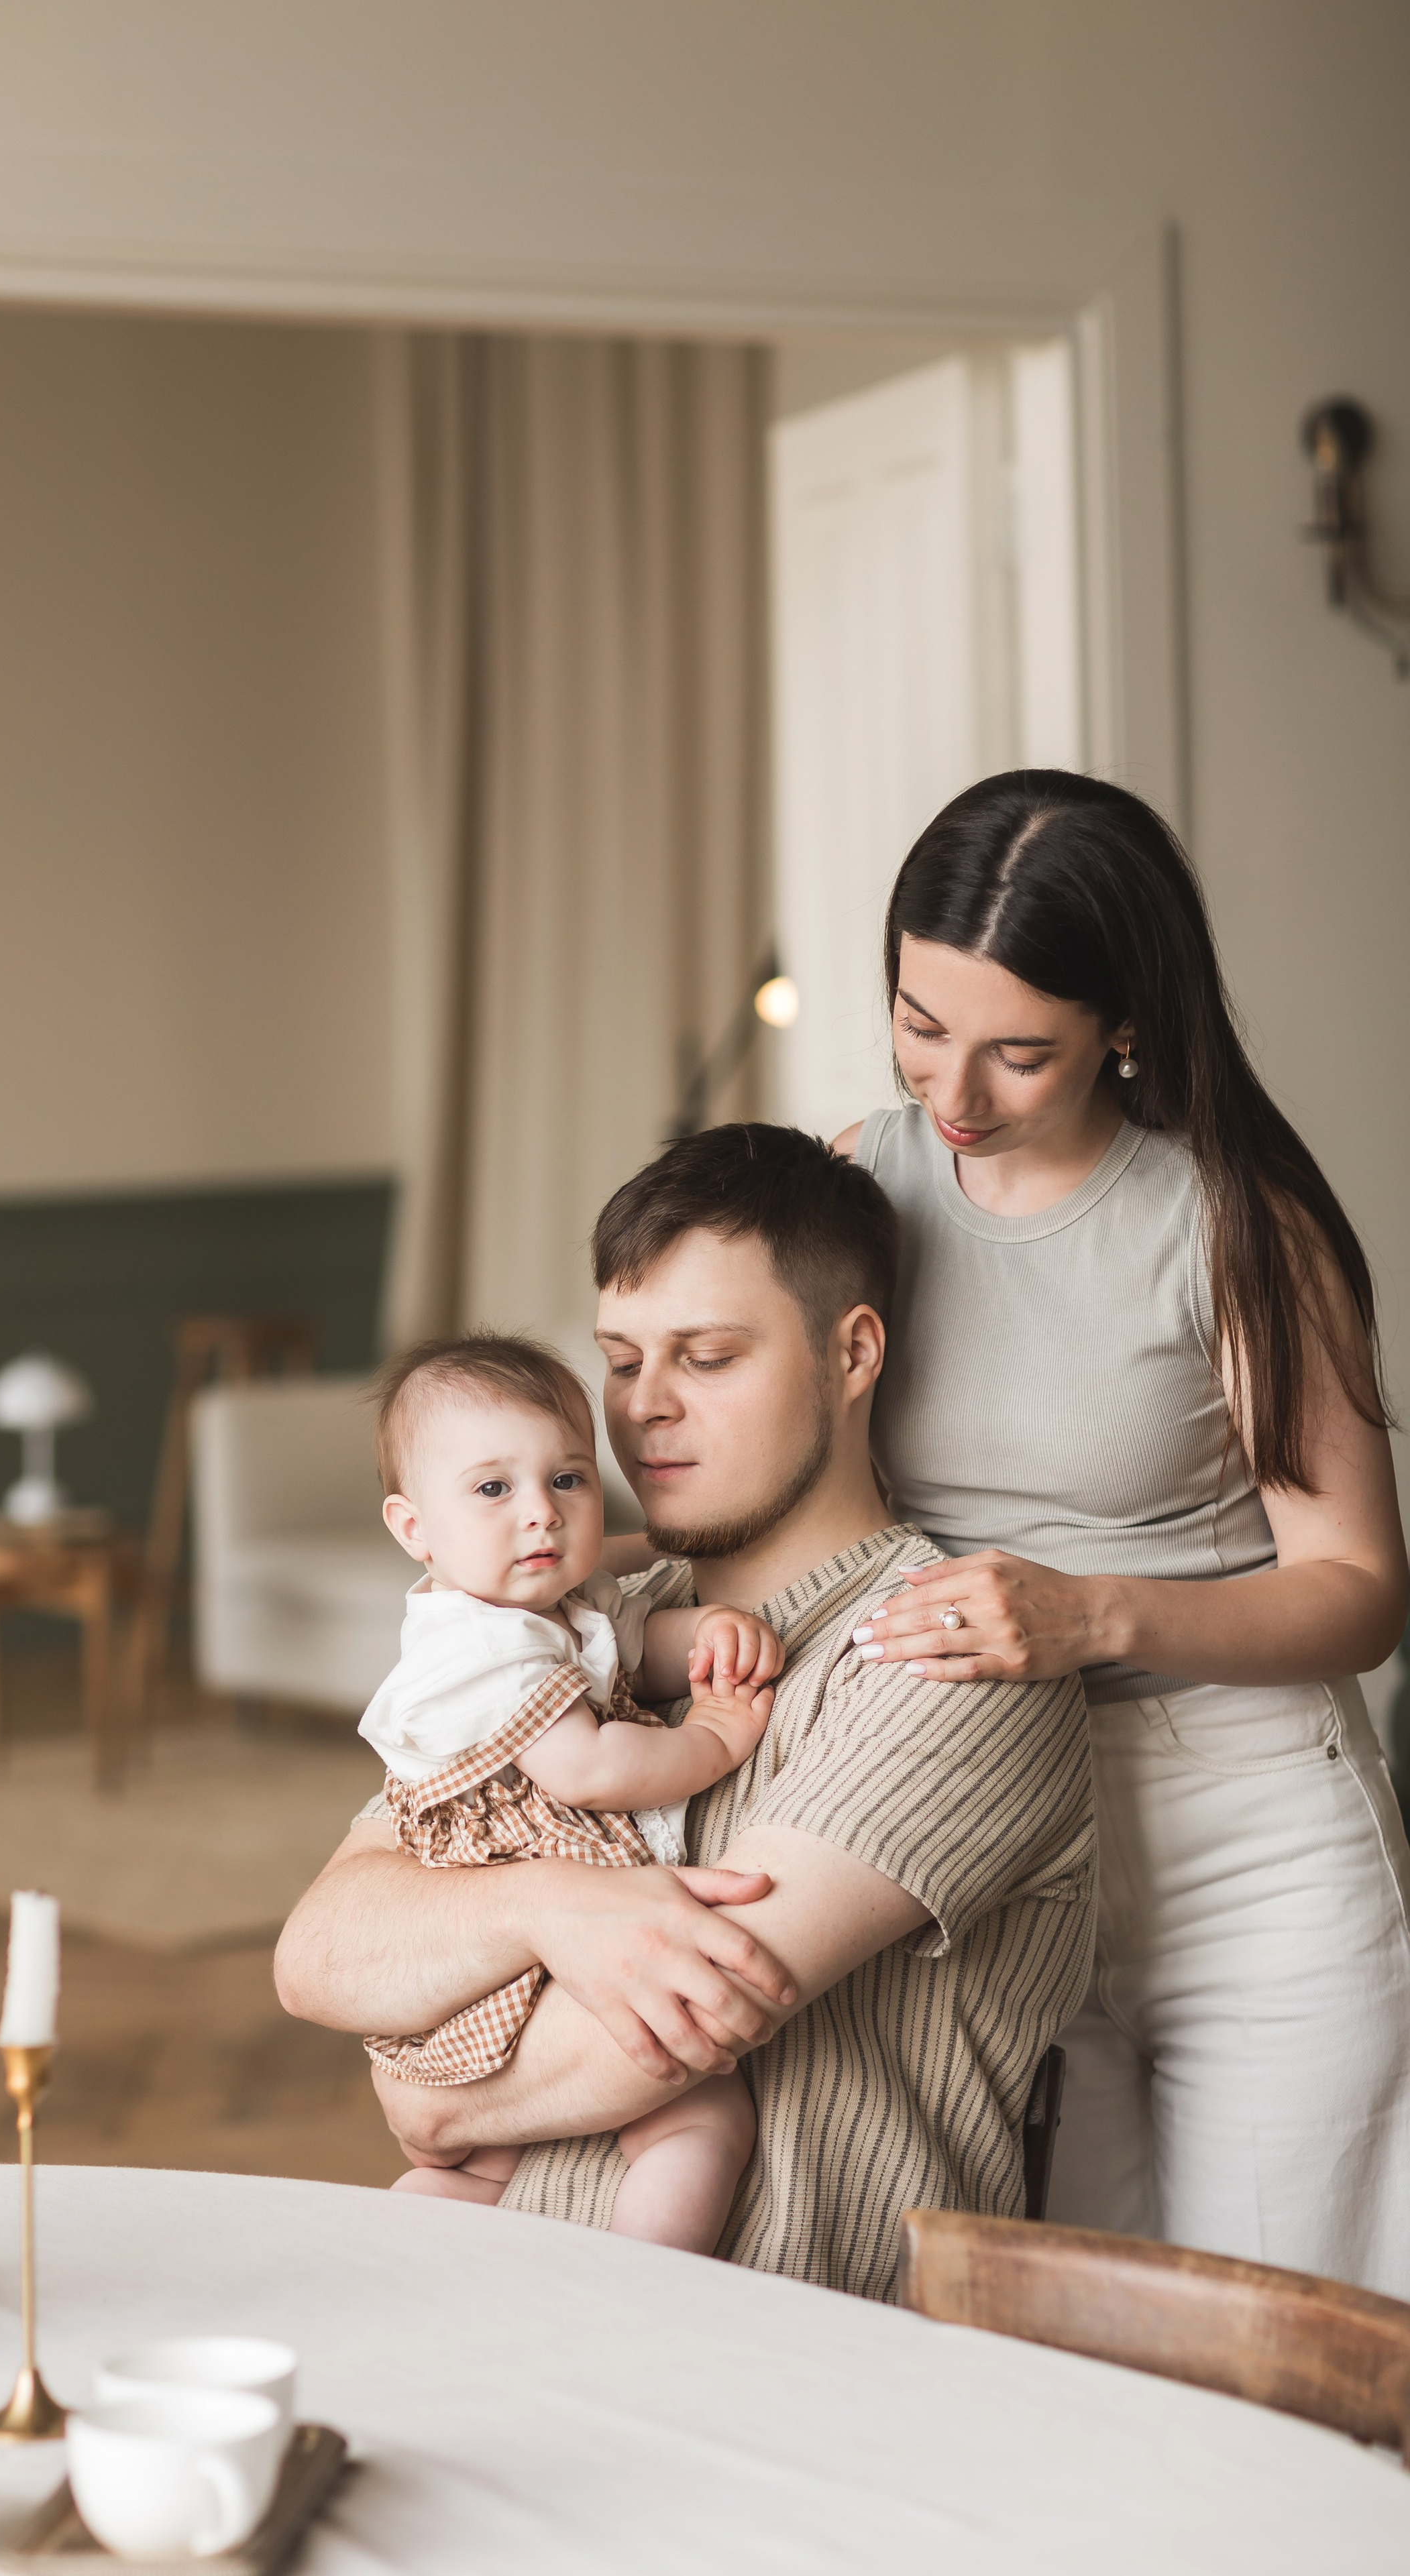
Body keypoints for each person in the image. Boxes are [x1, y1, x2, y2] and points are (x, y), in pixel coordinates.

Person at [276, 1125, 1094, 2299]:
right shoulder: (563, 1620)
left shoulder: (951, 1653)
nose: (643, 1411)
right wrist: (552, 1903)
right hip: (505, 2306)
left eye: (705, 1357)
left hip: (791, 2365)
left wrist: (427, 2080)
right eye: (619, 1359)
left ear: (852, 1352)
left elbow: (682, 2020)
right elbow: (320, 1950)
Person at [831, 767, 1410, 2294]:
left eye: (1017, 1052)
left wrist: (1091, 1616)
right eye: (917, 1023)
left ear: (1124, 1024)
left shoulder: (1233, 1225)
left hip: (1250, 1838)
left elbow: (1357, 1589)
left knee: (1281, 2351)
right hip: (987, 1832)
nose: (950, 1094)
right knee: (1073, 2358)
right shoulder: (858, 1185)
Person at [358, 1329, 777, 2253]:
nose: (541, 1516)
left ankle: (409, 2243)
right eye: (494, 1489)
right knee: (701, 2117)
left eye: (569, 1479)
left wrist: (708, 1633)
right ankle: (640, 2287)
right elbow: (589, 1766)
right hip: (516, 1951)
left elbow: (628, 1645)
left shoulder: (540, 1603)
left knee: (479, 2169)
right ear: (414, 1528)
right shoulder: (480, 1646)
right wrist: (715, 1734)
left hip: (526, 1944)